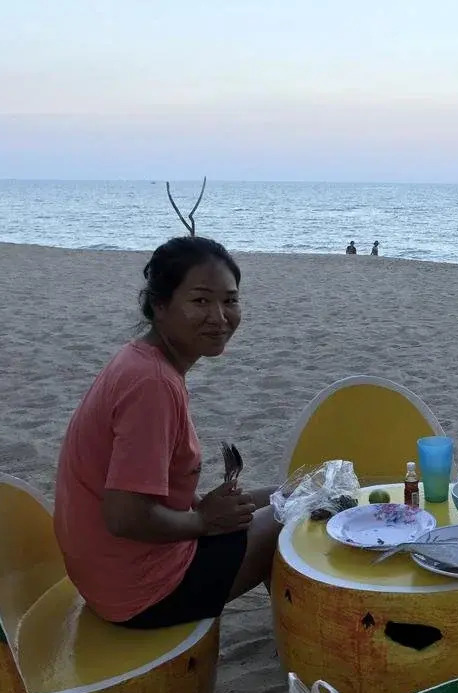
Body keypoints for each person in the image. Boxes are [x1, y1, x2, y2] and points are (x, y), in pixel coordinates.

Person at [54, 236, 285, 630]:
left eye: (230, 300)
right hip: (142, 592)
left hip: (110, 575)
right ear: (159, 305)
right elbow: (124, 517)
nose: (219, 316)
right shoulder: (152, 383)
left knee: (289, 493)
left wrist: (199, 505)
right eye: (200, 301)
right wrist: (204, 522)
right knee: (298, 512)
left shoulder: (144, 361)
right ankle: (305, 631)